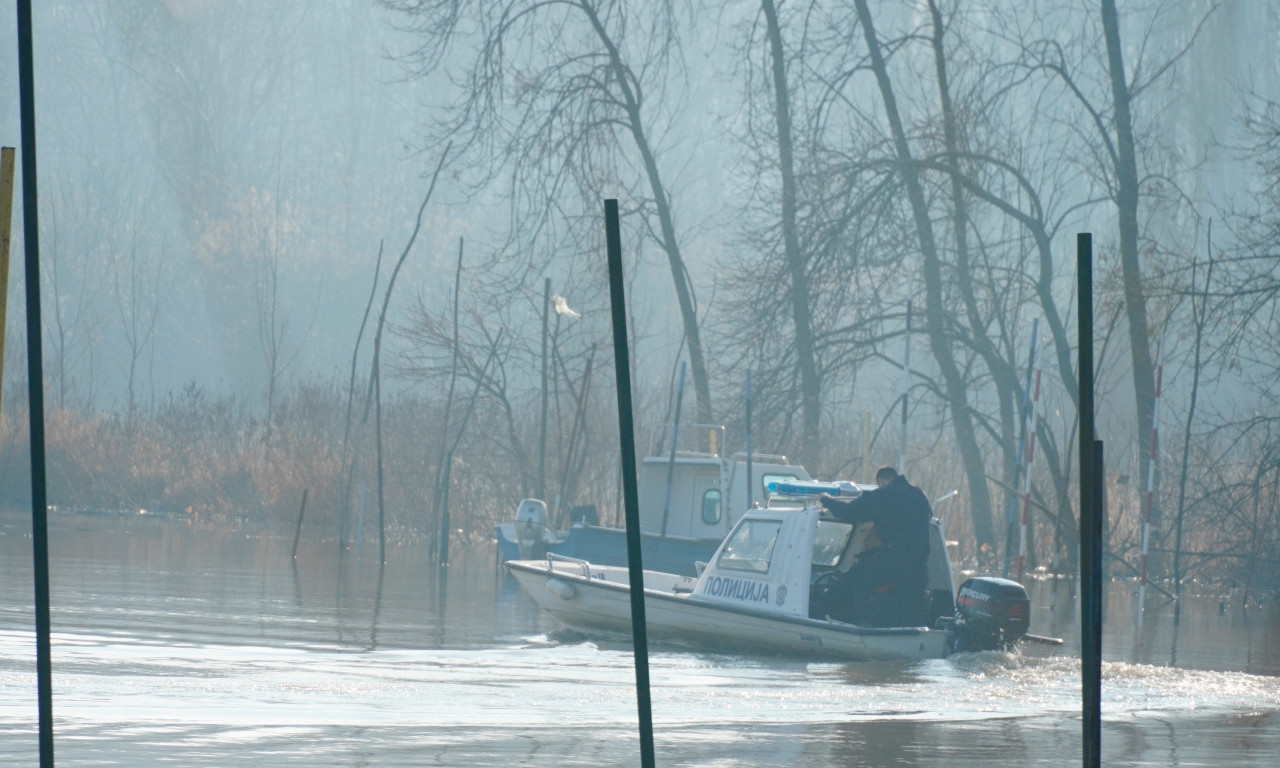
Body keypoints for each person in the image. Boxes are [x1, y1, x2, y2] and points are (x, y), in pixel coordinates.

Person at [816, 466, 933, 627]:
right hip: (919, 567)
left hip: (895, 562)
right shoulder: (920, 495)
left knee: (858, 579)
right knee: (911, 608)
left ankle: (865, 625)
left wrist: (825, 499)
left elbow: (848, 511)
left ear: (881, 482)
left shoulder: (884, 495)